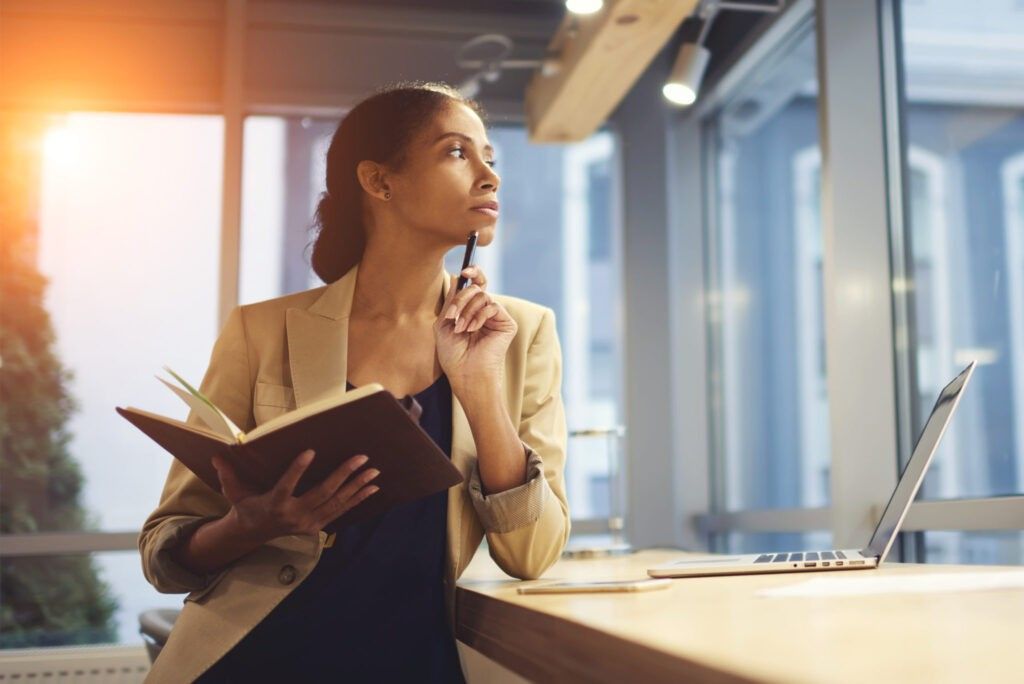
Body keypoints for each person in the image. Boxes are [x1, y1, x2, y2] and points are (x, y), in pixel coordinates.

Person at [137, 81, 571, 683]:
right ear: (379, 181)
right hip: (255, 659)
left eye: (489, 158)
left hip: (416, 663)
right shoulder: (261, 331)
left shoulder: (523, 333)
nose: (489, 176)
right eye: (456, 152)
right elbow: (165, 553)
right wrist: (249, 525)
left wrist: (479, 389)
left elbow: (531, 555)